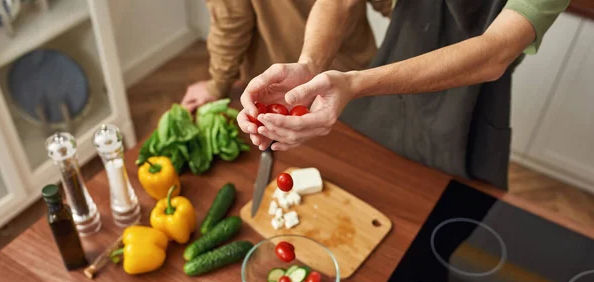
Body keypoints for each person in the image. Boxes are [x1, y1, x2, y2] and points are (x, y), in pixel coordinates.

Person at [237, 0, 569, 190]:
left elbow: (496, 52)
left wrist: (355, 84)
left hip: (471, 104)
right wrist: (309, 65)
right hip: (388, 85)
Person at [180, 0, 391, 112]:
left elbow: (232, 21)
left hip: (282, 88)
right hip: (354, 72)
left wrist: (217, 84)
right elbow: (394, 5)